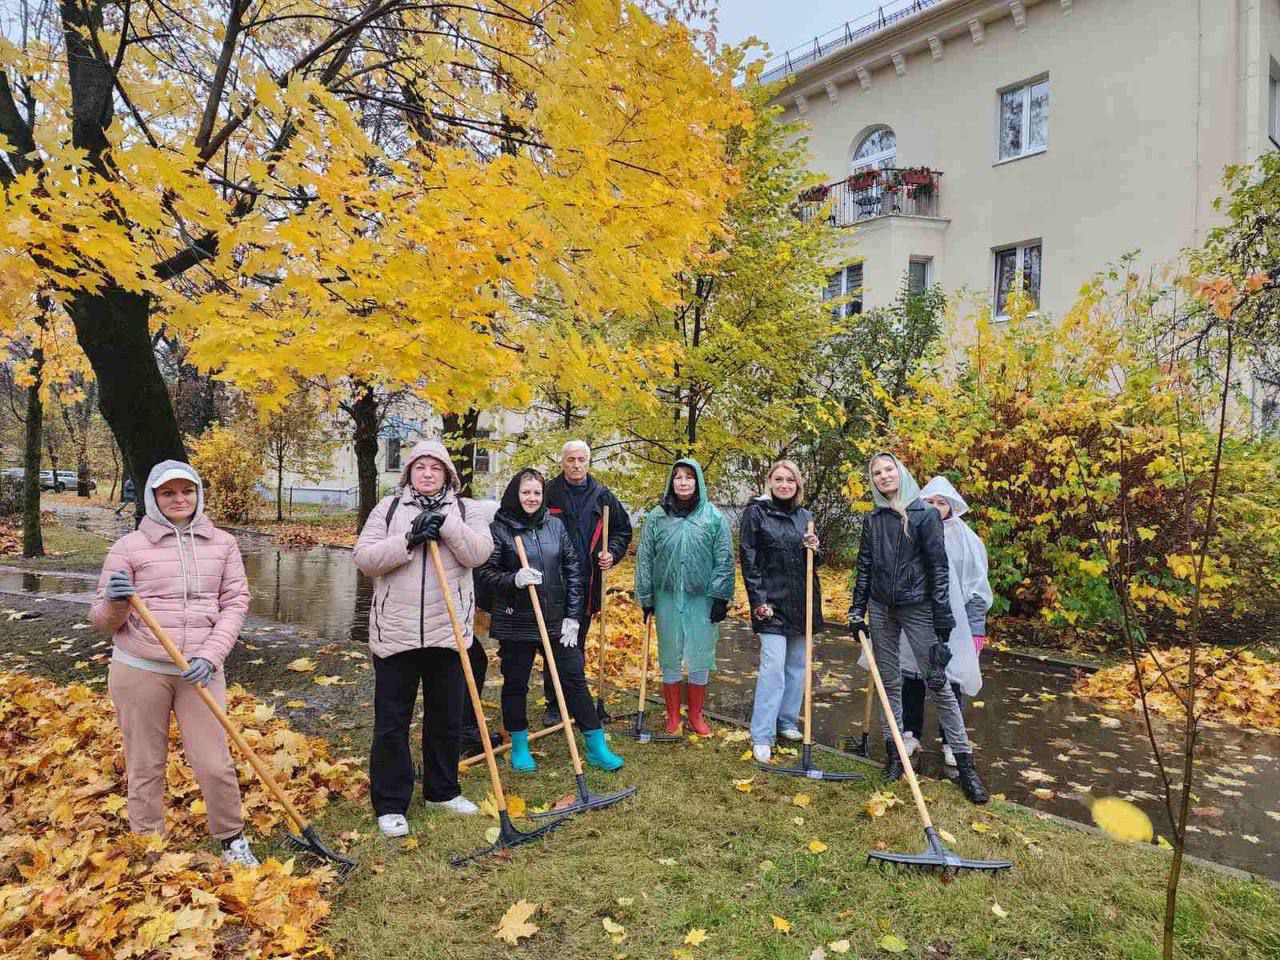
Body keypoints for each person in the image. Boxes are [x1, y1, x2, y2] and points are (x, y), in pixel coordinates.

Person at [90, 460, 258, 867]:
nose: (180, 499)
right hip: (140, 668)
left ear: (199, 494)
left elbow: (236, 603)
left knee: (214, 762)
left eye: (187, 491)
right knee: (145, 762)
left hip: (200, 670)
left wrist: (211, 655)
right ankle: (148, 844)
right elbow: (100, 621)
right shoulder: (129, 547)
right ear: (153, 498)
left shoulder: (223, 544)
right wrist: (114, 599)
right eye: (169, 493)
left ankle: (232, 838)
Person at [353, 440, 494, 837]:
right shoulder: (389, 509)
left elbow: (480, 554)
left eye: (436, 467)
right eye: (420, 467)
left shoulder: (467, 511)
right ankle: (391, 802)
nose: (428, 473)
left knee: (446, 718)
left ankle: (442, 791)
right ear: (409, 473)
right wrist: (409, 540)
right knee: (392, 722)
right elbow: (364, 559)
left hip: (447, 633)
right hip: (394, 635)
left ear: (448, 475)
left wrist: (446, 525)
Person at [847, 452, 990, 804]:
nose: (883, 476)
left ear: (901, 472)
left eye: (888, 469)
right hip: (882, 609)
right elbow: (864, 566)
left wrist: (943, 619)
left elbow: (938, 568)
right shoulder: (874, 520)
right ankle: (895, 754)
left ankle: (965, 764)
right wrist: (856, 609)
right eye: (876, 473)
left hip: (919, 609)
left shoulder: (925, 515)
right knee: (890, 682)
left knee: (938, 682)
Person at [476, 468, 624, 771]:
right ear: (514, 494)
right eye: (526, 492)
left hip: (556, 619)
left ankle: (596, 746)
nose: (532, 498)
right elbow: (485, 573)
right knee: (516, 683)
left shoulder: (554, 525)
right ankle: (519, 746)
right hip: (517, 621)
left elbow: (573, 571)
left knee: (574, 679)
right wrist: (513, 578)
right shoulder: (500, 529)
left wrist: (572, 617)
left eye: (537, 493)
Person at [634, 458, 735, 736]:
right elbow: (645, 558)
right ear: (671, 482)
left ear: (698, 481)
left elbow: (724, 558)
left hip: (701, 597)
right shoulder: (657, 516)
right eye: (677, 477)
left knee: (700, 654)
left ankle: (696, 716)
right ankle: (672, 716)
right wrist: (646, 597)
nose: (683, 482)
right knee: (670, 653)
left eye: (688, 477)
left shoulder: (713, 517)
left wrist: (720, 597)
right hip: (665, 595)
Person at [899, 476, 992, 767]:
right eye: (930, 502)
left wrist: (976, 628)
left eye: (942, 503)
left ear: (952, 508)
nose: (936, 508)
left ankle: (952, 740)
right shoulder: (908, 530)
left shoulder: (967, 541)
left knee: (947, 679)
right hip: (913, 616)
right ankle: (911, 732)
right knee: (911, 676)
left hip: (953, 623)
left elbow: (977, 587)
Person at [542, 440, 633, 724]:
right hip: (553, 581)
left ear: (588, 462)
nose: (576, 465)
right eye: (571, 459)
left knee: (576, 642)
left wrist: (612, 552)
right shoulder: (548, 493)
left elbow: (622, 530)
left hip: (586, 582)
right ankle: (554, 703)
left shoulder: (602, 496)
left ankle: (574, 699)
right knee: (553, 643)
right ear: (563, 462)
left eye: (582, 459)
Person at [740, 460, 824, 764]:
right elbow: (749, 559)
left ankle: (786, 721)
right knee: (773, 669)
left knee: (796, 667)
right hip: (772, 603)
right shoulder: (757, 513)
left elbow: (816, 562)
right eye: (779, 479)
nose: (784, 484)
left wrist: (816, 548)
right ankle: (762, 734)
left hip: (802, 602)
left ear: (798, 485)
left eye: (790, 480)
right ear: (770, 482)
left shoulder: (806, 517)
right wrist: (758, 600)